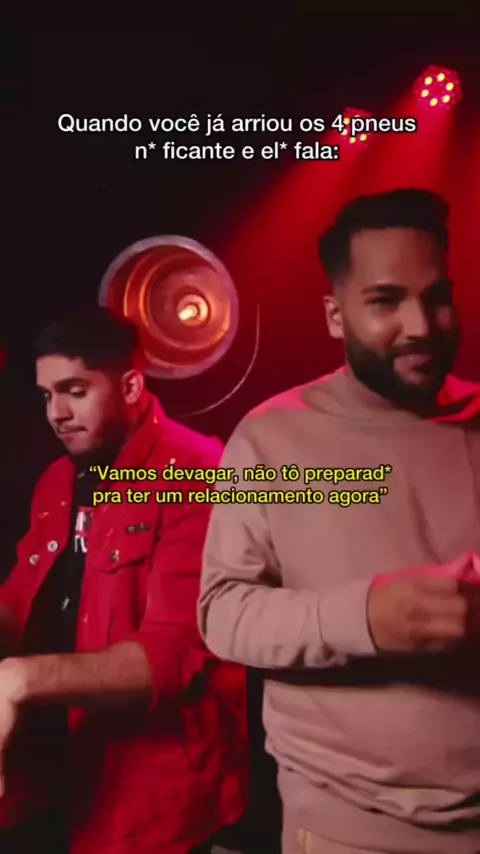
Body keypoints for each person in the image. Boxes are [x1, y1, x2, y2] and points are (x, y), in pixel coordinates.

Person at [199, 188, 480, 854]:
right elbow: (222, 612)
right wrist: (365, 618)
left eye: (437, 297)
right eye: (386, 301)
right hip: (349, 832)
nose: (420, 325)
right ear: (335, 315)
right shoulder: (274, 439)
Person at [0, 306, 248, 854]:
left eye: (75, 391)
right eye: (46, 395)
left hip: (151, 797)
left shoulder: (198, 473)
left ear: (132, 386)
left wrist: (19, 679)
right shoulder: (57, 479)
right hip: (52, 780)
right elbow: (23, 597)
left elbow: (176, 652)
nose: (57, 413)